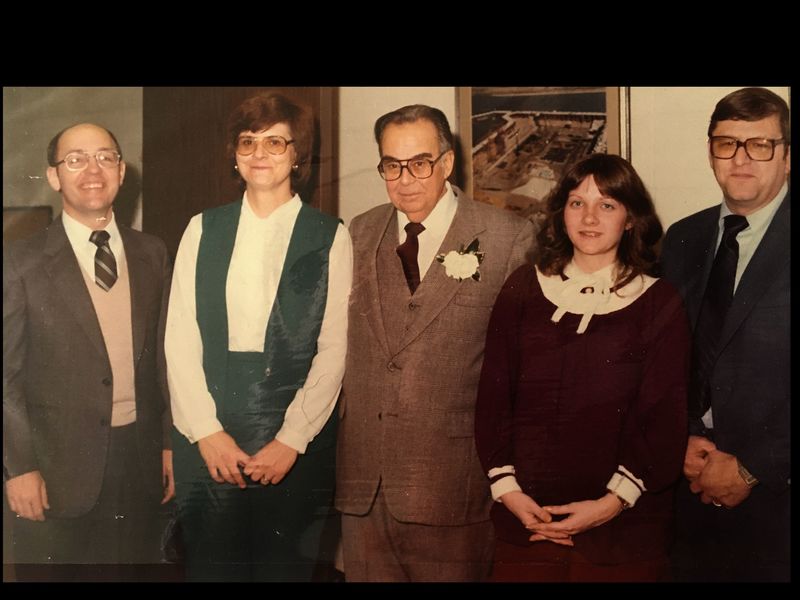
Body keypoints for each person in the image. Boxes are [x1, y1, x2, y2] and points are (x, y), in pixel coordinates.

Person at [335, 104, 536, 582]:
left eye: (420, 163)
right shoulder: (358, 232)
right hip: (364, 488)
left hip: (453, 487)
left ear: (447, 163)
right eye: (391, 165)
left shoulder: (507, 237)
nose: (405, 179)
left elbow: (523, 375)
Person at [475, 154, 690, 582]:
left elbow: (663, 420)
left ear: (630, 219)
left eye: (607, 205)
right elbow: (493, 399)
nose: (589, 217)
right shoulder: (523, 285)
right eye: (577, 203)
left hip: (622, 535)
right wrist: (509, 492)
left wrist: (610, 504)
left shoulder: (659, 302)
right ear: (561, 213)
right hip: (528, 527)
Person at [166, 92, 352, 582]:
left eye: (275, 142)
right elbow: (180, 339)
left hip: (294, 439)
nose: (260, 153)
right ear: (234, 154)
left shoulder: (330, 235)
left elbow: (335, 349)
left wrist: (292, 440)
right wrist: (206, 433)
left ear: (297, 154)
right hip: (209, 436)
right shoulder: (201, 229)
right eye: (248, 142)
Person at [3, 123, 174, 580]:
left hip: (138, 464)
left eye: (104, 156)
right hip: (54, 474)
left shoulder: (152, 253)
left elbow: (161, 359)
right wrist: (18, 468)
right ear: (55, 176)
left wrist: (167, 442)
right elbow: (6, 378)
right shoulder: (20, 261)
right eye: (75, 159)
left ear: (121, 170)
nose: (92, 169)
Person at [662, 87, 790, 582]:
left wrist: (753, 465)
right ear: (710, 150)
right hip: (688, 489)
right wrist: (681, 437)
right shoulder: (682, 238)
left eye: (760, 145)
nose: (741, 159)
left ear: (786, 156)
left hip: (778, 501)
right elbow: (666, 359)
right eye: (727, 143)